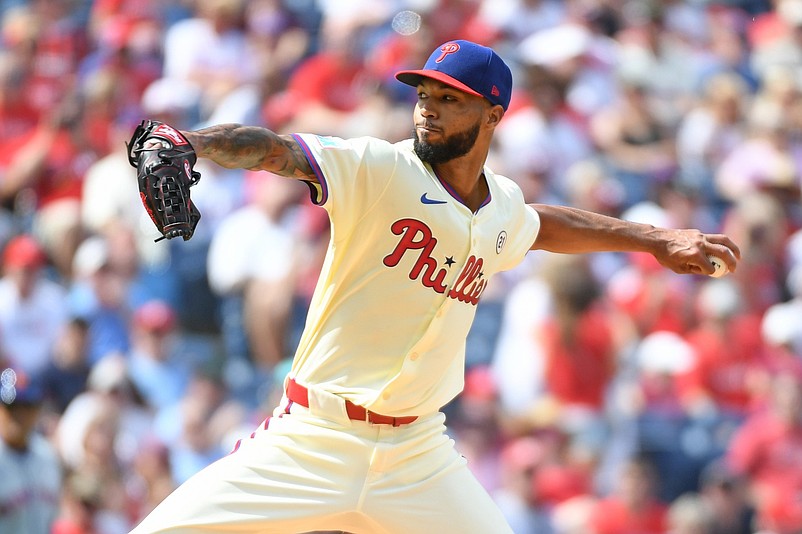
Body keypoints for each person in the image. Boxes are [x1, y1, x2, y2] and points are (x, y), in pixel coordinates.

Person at [130, 39, 740, 534]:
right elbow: (279, 151)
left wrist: (655, 240)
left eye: (451, 98)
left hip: (417, 456)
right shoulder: (380, 167)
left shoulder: (501, 207)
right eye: (425, 93)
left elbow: (544, 224)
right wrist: (195, 144)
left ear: (493, 115)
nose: (428, 106)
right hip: (313, 437)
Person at [0, 366, 63, 534]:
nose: (19, 416)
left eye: (26, 407)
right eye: (12, 408)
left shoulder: (48, 456)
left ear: (37, 411)